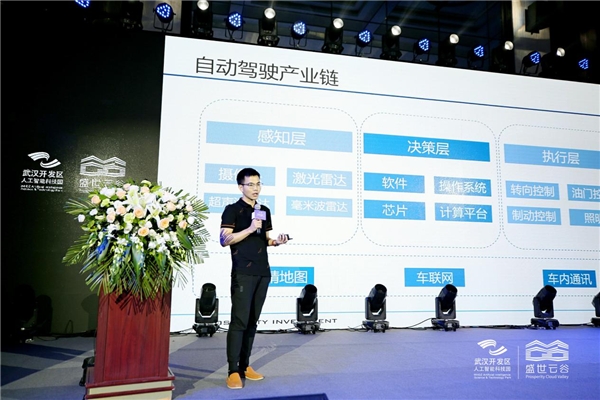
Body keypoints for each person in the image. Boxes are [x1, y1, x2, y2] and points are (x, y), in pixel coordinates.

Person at [219, 167, 289, 389]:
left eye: (258, 184)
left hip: (262, 271)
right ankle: (232, 370)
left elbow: (264, 239)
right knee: (239, 321)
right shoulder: (232, 210)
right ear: (241, 187)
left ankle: (245, 366)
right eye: (251, 184)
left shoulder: (264, 210)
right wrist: (249, 229)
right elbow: (224, 240)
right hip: (243, 272)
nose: (256, 188)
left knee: (252, 321)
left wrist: (276, 242)